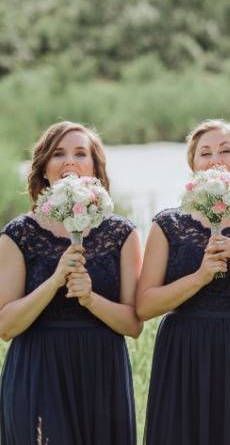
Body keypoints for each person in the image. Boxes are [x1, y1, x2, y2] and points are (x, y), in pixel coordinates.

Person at [137, 119, 230, 445]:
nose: (215, 159)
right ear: (193, 165)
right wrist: (198, 278)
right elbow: (145, 305)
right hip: (185, 351)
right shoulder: (168, 223)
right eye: (204, 153)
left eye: (225, 150)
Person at [0, 121, 142, 445]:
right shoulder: (18, 234)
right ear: (44, 170)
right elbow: (5, 326)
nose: (69, 161)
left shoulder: (123, 233)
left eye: (80, 153)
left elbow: (134, 325)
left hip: (102, 374)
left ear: (95, 168)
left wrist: (91, 299)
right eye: (58, 154)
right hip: (38, 370)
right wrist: (54, 281)